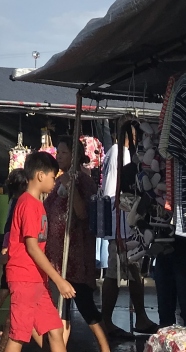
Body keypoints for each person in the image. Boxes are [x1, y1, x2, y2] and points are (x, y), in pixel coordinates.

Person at [2, 151, 74, 352]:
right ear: (41, 176)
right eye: (53, 177)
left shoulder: (36, 204)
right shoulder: (28, 204)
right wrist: (59, 280)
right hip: (24, 277)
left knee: (55, 329)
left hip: (37, 279)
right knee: (18, 336)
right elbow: (32, 247)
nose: (54, 182)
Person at [44, 140, 110, 352]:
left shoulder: (81, 181)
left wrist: (71, 187)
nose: (59, 156)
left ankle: (105, 347)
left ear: (75, 155)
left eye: (64, 152)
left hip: (75, 253)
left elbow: (82, 213)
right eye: (58, 152)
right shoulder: (58, 179)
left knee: (84, 303)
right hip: (58, 255)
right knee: (61, 309)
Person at [99, 121, 158, 338]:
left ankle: (140, 317)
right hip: (122, 226)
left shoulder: (119, 154)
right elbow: (115, 193)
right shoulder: (119, 154)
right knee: (115, 274)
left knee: (133, 272)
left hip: (127, 225)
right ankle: (107, 320)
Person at [0, 167, 29, 339]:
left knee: (5, 288)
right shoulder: (20, 202)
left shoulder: (13, 200)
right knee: (12, 291)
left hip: (9, 246)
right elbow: (10, 229)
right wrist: (6, 248)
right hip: (13, 248)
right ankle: (5, 334)